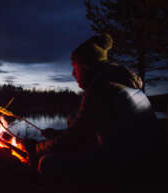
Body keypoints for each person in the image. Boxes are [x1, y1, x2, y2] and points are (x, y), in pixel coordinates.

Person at [25, 34, 161, 183]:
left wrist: (37, 148)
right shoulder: (121, 84)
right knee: (71, 124)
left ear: (85, 67)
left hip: (128, 166)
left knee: (47, 163)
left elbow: (77, 136)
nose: (73, 74)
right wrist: (57, 134)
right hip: (142, 155)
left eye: (75, 68)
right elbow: (90, 130)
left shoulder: (102, 89)